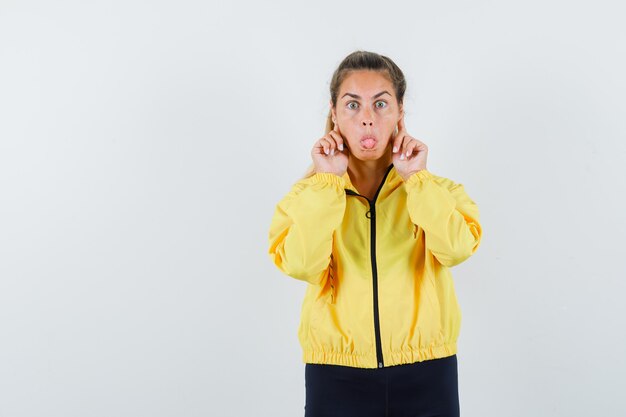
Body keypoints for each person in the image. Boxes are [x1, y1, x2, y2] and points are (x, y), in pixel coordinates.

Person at [267, 50, 483, 417]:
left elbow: (457, 250)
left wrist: (417, 179)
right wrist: (326, 183)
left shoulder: (436, 190)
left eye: (380, 104)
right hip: (336, 376)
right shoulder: (308, 195)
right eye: (353, 105)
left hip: (427, 371)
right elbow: (301, 265)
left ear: (400, 112)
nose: (367, 118)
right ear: (334, 114)